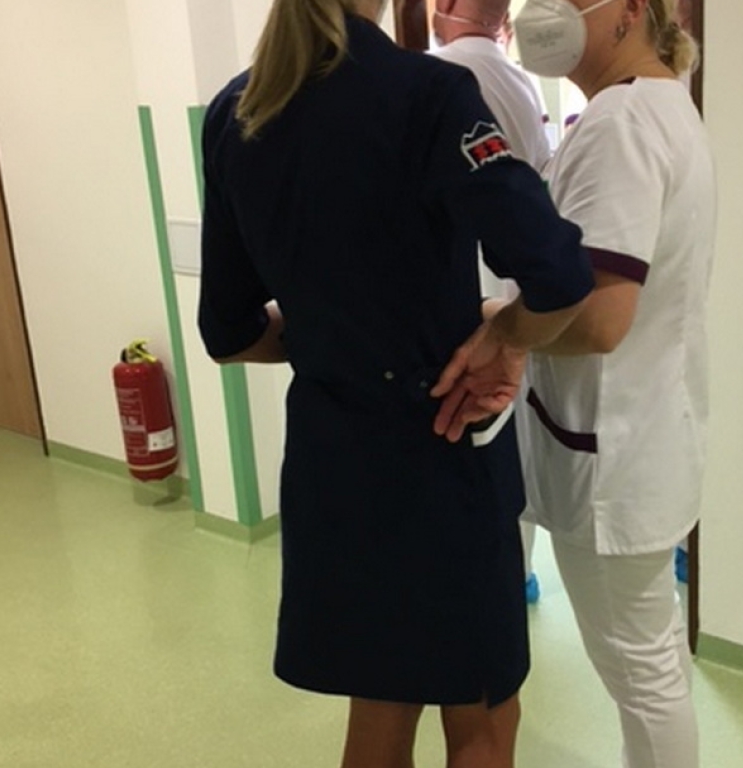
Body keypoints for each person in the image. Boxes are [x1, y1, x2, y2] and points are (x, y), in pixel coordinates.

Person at [196, 1, 594, 766]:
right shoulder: (429, 95)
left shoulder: (234, 113)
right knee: (479, 717)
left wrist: (330, 340)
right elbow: (559, 274)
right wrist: (503, 335)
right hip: (442, 448)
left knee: (379, 707)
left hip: (333, 469)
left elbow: (229, 332)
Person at [509, 0, 716, 765]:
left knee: (642, 674)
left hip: (614, 456)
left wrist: (499, 328)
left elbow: (599, 321)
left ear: (629, 11)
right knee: (653, 662)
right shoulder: (663, 106)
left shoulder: (620, 122)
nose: (542, 13)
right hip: (647, 433)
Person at [428, 0, 551, 604]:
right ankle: (519, 572)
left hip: (466, 289)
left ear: (446, 5)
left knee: (465, 426)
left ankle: (490, 577)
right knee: (511, 432)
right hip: (518, 286)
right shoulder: (521, 82)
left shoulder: (440, 75)